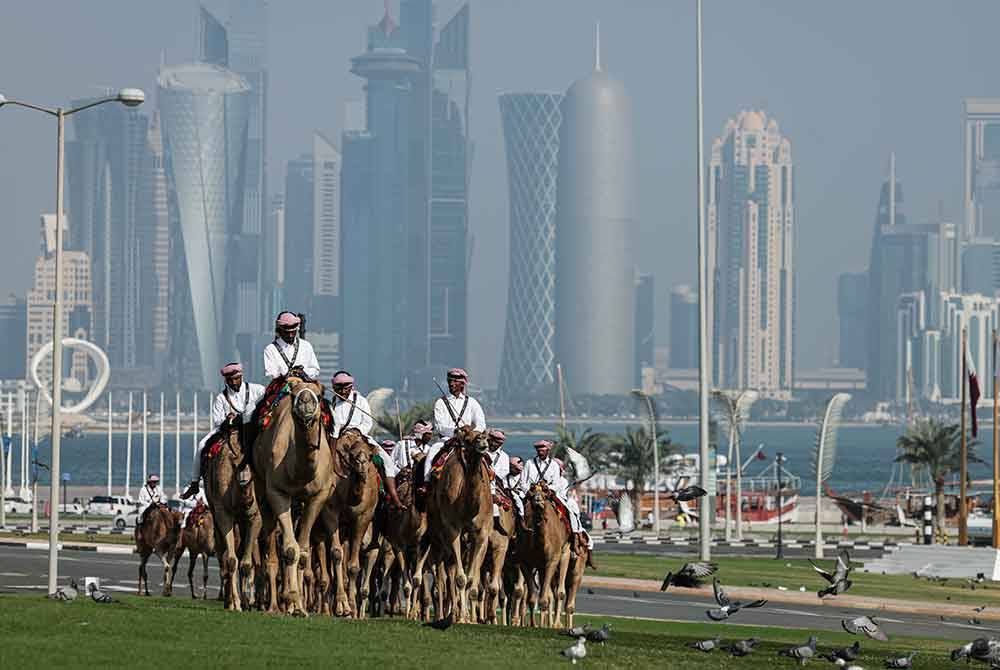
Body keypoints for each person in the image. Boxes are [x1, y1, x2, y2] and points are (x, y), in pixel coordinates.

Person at [182, 362, 265, 499]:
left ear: (241, 376)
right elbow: (218, 422)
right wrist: (230, 420)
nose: (233, 382)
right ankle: (195, 483)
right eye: (230, 380)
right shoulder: (221, 398)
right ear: (225, 380)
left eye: (236, 378)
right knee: (201, 445)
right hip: (228, 430)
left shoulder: (258, 390)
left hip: (253, 427)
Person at [328, 371, 404, 509]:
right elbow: (332, 425)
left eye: (346, 388)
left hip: (360, 436)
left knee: (386, 460)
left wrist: (357, 432)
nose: (343, 391)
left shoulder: (361, 400)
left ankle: (393, 497)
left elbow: (367, 422)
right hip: (339, 436)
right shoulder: (332, 403)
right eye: (339, 388)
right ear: (334, 388)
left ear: (351, 387)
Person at [263, 311, 320, 380]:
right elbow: (270, 374)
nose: (290, 335)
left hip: (304, 386)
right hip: (282, 387)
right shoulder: (271, 349)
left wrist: (303, 373)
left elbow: (315, 369)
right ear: (280, 331)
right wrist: (289, 374)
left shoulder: (306, 346)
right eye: (287, 333)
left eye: (293, 332)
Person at [432, 368, 486, 439]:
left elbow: (481, 424)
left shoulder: (472, 402)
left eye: (455, 381)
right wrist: (455, 431)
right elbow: (439, 426)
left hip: (467, 440)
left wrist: (473, 433)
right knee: (434, 449)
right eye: (450, 381)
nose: (451, 384)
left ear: (462, 384)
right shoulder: (440, 402)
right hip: (446, 441)